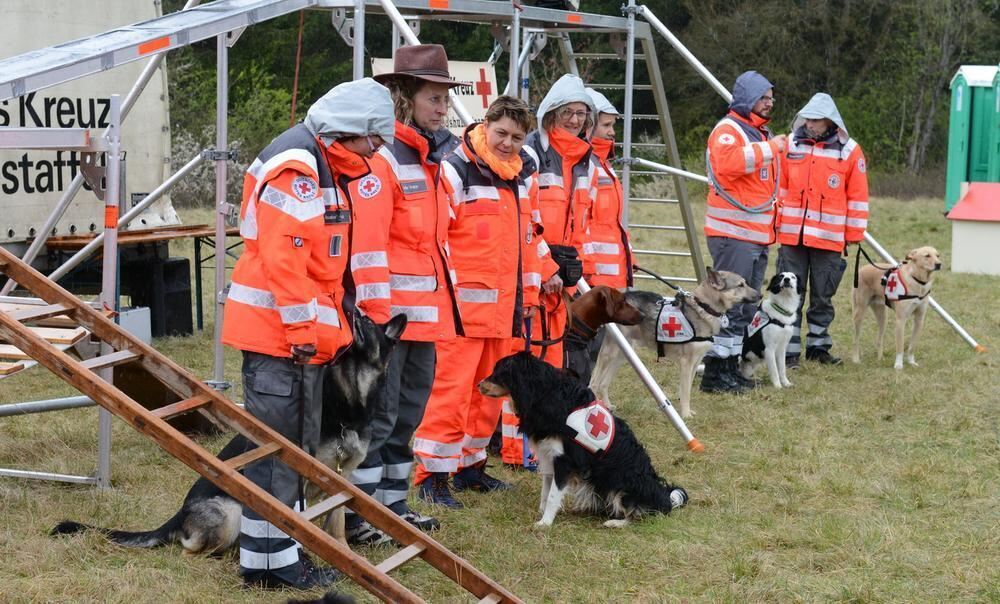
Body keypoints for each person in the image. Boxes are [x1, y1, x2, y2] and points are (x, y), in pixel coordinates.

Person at [221, 78, 395, 589]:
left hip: (300, 339)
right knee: (276, 454)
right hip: (281, 338)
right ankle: (268, 566)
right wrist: (301, 329)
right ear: (348, 130)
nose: (377, 150)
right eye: (374, 139)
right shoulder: (299, 167)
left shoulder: (323, 163)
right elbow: (286, 259)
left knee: (293, 453)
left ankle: (284, 554)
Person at [339, 44, 462, 545]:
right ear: (405, 99)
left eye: (445, 99)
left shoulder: (432, 159)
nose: (443, 108)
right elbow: (368, 248)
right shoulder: (384, 161)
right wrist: (375, 325)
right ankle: (359, 516)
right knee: (380, 419)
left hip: (425, 321)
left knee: (407, 417)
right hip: (388, 323)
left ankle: (393, 508)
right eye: (434, 98)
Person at [412, 96, 540, 506]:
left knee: (489, 395)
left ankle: (470, 467)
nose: (507, 143)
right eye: (501, 133)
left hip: (505, 309)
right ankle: (431, 476)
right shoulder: (455, 168)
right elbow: (436, 237)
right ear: (485, 124)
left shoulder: (524, 176)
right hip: (461, 311)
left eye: (517, 138)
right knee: (450, 393)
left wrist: (531, 294)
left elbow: (528, 242)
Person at [700, 70, 786, 394]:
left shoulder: (758, 133)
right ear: (747, 97)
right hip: (733, 235)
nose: (769, 103)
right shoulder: (729, 130)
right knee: (729, 305)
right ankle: (715, 373)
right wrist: (771, 148)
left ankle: (731, 367)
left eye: (771, 98)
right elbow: (729, 165)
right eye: (763, 97)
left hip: (754, 236)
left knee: (745, 307)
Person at [776, 92, 869, 366]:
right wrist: (777, 223)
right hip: (792, 235)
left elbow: (858, 195)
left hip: (829, 239)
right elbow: (780, 186)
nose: (810, 124)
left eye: (816, 120)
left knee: (822, 297)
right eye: (807, 119)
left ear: (830, 121)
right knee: (789, 293)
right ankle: (788, 350)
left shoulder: (850, 151)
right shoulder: (790, 144)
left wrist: (853, 234)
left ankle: (818, 348)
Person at [522, 73, 598, 369]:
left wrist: (582, 271)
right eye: (567, 112)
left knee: (553, 357)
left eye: (581, 113)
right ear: (552, 113)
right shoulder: (530, 153)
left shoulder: (585, 164)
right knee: (528, 354)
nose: (574, 120)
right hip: (534, 273)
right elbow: (524, 220)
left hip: (563, 277)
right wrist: (544, 268)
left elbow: (582, 224)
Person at [582, 87, 632, 291]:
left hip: (610, 274)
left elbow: (614, 223)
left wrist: (628, 257)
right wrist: (586, 268)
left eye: (612, 125)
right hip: (593, 277)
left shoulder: (604, 164)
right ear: (588, 126)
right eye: (606, 125)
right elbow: (579, 224)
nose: (612, 132)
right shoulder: (585, 165)